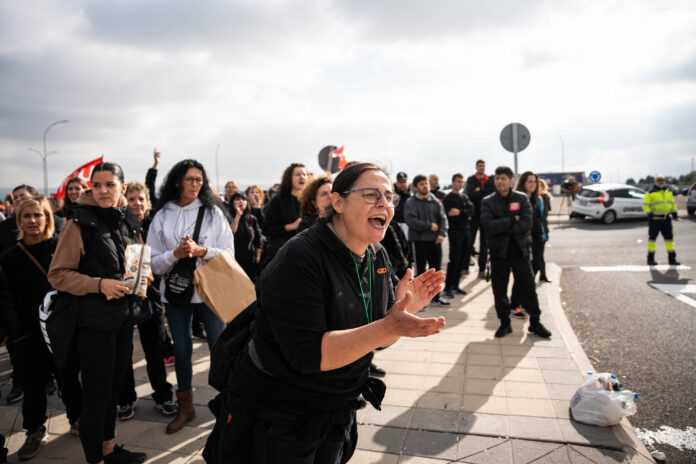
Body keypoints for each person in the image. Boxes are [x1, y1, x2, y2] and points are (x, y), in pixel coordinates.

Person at [203, 162, 447, 463]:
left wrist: (400, 314)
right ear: (338, 202)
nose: (384, 203)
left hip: (334, 408)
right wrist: (389, 326)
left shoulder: (376, 254)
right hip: (278, 416)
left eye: (389, 196)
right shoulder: (300, 257)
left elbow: (376, 339)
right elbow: (308, 355)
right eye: (371, 195)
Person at [48, 161, 147, 464]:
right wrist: (98, 284)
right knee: (96, 399)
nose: (103, 191)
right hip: (92, 325)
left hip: (123, 319)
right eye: (97, 185)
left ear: (123, 186)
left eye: (110, 184)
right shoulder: (79, 222)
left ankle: (108, 449)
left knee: (113, 393)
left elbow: (135, 259)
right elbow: (58, 274)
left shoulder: (127, 218)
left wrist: (145, 273)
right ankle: (96, 459)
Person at [147, 159, 234, 434]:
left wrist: (201, 251)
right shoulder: (163, 215)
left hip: (210, 290)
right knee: (182, 351)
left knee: (221, 348)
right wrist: (176, 254)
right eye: (190, 179)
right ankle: (186, 406)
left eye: (199, 179)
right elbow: (151, 261)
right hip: (176, 292)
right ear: (177, 182)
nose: (195, 184)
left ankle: (229, 405)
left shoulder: (212, 212)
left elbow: (229, 253)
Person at [0, 197, 60, 460]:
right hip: (27, 333)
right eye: (27, 216)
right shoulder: (9, 256)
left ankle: (78, 418)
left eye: (39, 215)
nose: (33, 220)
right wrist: (17, 333)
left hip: (62, 330)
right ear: (19, 221)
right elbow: (6, 298)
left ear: (47, 218)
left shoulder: (60, 247)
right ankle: (34, 430)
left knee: (69, 381)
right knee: (33, 387)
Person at [116, 182, 178, 421]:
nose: (137, 203)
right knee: (124, 353)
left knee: (155, 351)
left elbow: (166, 258)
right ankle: (125, 399)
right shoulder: (117, 226)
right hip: (124, 299)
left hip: (152, 299)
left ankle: (163, 396)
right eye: (132, 199)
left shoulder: (156, 226)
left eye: (141, 199)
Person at [480, 166, 552, 339]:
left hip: (520, 251)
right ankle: (505, 323)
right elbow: (488, 226)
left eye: (503, 178)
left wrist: (503, 225)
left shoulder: (521, 199)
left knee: (528, 288)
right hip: (499, 254)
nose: (499, 181)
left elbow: (526, 224)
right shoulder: (487, 201)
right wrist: (511, 219)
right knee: (499, 291)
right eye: (497, 178)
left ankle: (535, 323)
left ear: (512, 181)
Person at [404, 174, 450, 306]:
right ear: (416, 187)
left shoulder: (435, 201)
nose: (425, 186)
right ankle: (419, 301)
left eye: (426, 183)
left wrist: (441, 234)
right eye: (422, 184)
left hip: (435, 241)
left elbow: (443, 219)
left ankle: (436, 297)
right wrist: (429, 225)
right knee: (420, 271)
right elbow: (411, 221)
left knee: (436, 270)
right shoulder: (411, 202)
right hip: (419, 241)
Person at [261, 163, 308, 268]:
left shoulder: (311, 201)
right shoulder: (278, 200)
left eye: (304, 174)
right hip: (282, 255)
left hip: (306, 254)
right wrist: (290, 227)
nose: (302, 177)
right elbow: (266, 229)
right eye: (297, 174)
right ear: (289, 178)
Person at [442, 173, 474, 298]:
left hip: (466, 231)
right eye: (458, 181)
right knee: (454, 259)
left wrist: (460, 212)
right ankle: (448, 287)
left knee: (463, 259)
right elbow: (449, 215)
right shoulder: (448, 198)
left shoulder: (464, 197)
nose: (460, 184)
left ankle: (456, 285)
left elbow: (472, 211)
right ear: (453, 182)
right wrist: (465, 215)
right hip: (455, 232)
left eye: (462, 181)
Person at [466, 160, 496, 277]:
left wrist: (479, 191)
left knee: (484, 244)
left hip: (486, 215)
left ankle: (482, 269)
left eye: (483, 166)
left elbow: (491, 192)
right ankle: (465, 266)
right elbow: (471, 194)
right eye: (480, 166)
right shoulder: (471, 179)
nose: (482, 168)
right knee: (470, 241)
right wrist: (481, 192)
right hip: (474, 216)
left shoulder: (490, 179)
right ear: (476, 167)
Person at [642, 175, 680, 265]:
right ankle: (650, 259)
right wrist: (651, 216)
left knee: (669, 240)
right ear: (655, 181)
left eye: (662, 180)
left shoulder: (668, 192)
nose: (661, 181)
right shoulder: (650, 193)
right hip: (655, 220)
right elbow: (645, 206)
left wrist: (675, 216)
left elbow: (672, 205)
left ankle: (672, 260)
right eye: (659, 180)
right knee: (652, 240)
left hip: (666, 219)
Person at [230, 192, 263, 280]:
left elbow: (258, 238)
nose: (241, 201)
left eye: (243, 199)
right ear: (232, 202)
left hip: (250, 261)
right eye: (237, 199)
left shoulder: (252, 219)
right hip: (234, 260)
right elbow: (232, 231)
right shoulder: (228, 217)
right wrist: (238, 215)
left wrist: (258, 256)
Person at [538, 179, 552, 282]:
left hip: (544, 229)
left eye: (541, 186)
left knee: (541, 253)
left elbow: (547, 211)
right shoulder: (532, 199)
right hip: (536, 230)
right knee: (537, 255)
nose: (539, 187)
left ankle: (543, 275)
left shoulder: (545, 197)